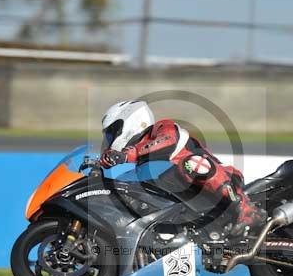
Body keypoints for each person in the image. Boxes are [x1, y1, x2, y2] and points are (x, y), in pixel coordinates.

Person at [99, 100, 266, 235]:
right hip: (194, 203)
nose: (110, 138)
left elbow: (167, 141)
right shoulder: (142, 162)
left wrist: (128, 154)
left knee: (190, 164)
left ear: (131, 121)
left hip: (224, 179)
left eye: (112, 132)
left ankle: (245, 209)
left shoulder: (163, 127)